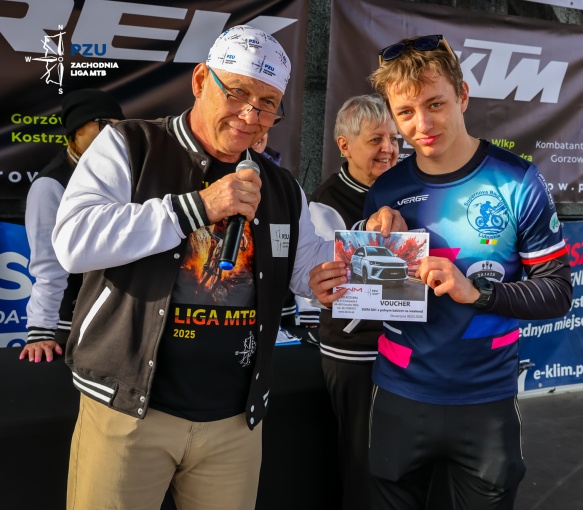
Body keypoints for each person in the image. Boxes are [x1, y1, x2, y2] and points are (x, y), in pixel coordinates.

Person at [51, 25, 401, 510]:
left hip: (234, 422)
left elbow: (309, 266)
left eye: (267, 104)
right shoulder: (131, 144)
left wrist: (378, 244)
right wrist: (197, 207)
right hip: (129, 411)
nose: (250, 115)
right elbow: (73, 242)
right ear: (200, 81)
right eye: (237, 93)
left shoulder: (279, 185)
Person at [309, 34, 573, 509]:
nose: (422, 124)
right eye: (406, 112)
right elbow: (377, 302)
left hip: (485, 402)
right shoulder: (386, 189)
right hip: (398, 398)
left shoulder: (517, 180)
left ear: (463, 96)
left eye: (435, 104)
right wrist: (340, 285)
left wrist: (479, 293)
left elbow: (557, 292)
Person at [309, 94, 399, 509]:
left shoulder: (405, 187)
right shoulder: (325, 200)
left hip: (403, 347)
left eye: (394, 139)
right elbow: (333, 278)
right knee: (364, 461)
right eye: (376, 139)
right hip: (356, 351)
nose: (389, 149)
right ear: (344, 146)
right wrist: (373, 233)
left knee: (398, 460)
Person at [21, 88, 125, 363]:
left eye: (119, 126)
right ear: (77, 130)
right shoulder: (50, 184)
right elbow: (48, 264)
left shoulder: (121, 173)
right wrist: (41, 330)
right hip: (72, 325)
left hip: (117, 319)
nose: (113, 133)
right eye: (103, 124)